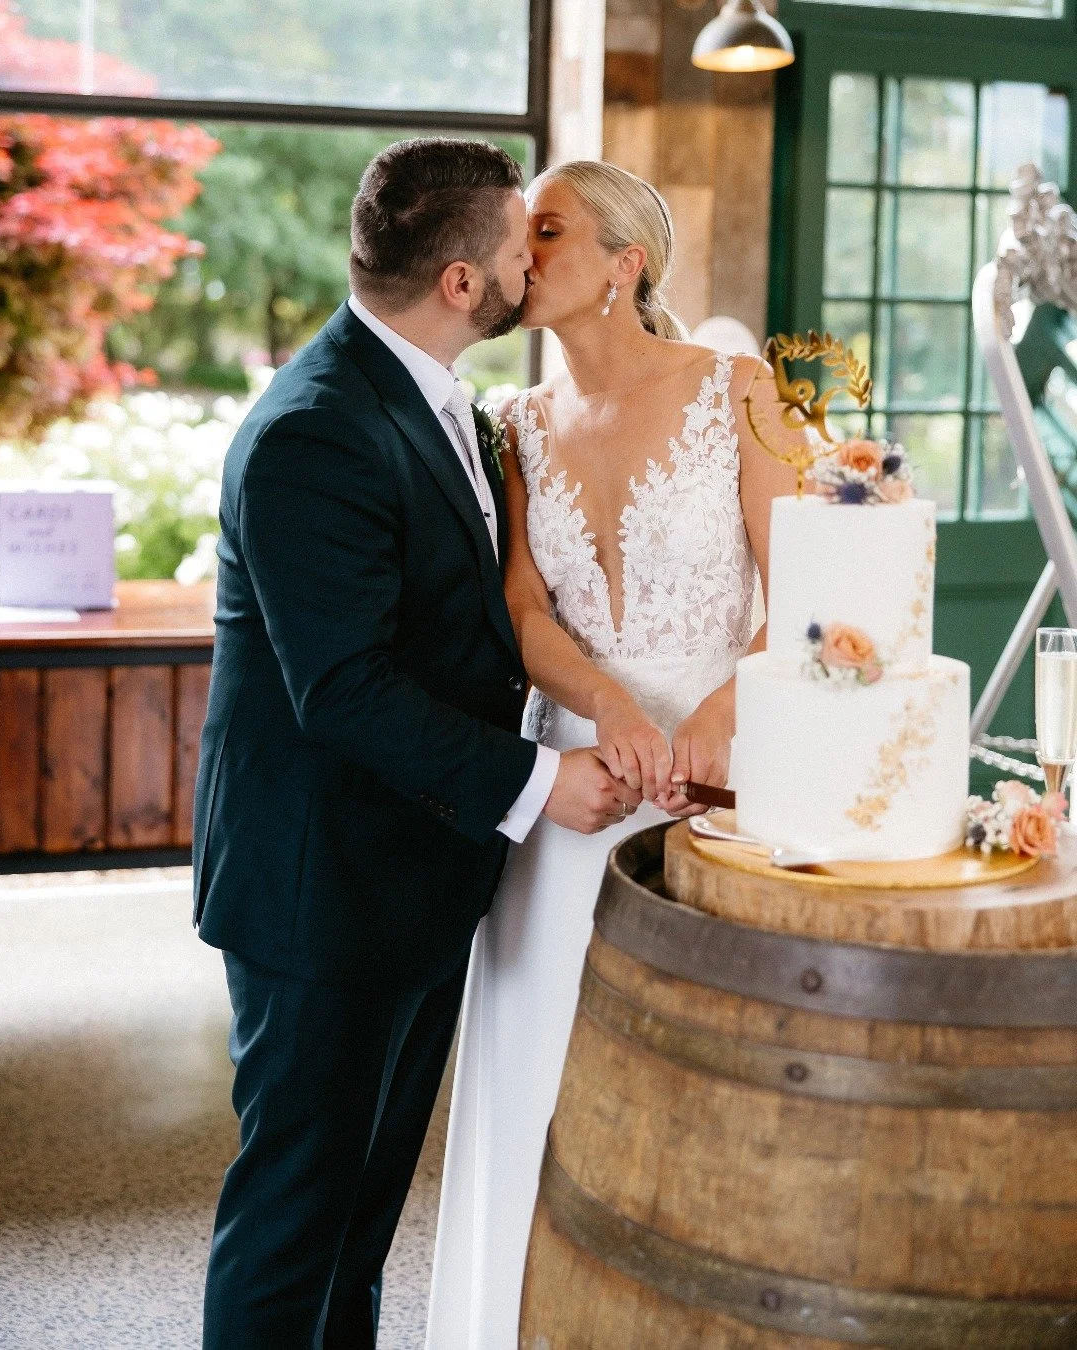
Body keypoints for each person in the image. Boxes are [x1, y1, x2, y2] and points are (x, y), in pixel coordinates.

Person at [192, 138, 642, 1350]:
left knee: (358, 1218)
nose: (525, 264)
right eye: (514, 245)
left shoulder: (446, 404)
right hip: (319, 890)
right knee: (294, 1221)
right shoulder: (315, 429)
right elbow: (344, 690)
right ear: (458, 283)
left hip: (415, 872)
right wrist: (543, 780)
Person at [426, 160, 803, 1346]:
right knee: (542, 1077)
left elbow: (804, 596)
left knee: (711, 1085)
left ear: (624, 265)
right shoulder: (519, 426)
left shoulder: (737, 391)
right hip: (572, 788)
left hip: (720, 779)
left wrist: (717, 717)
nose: (519, 251)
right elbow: (527, 613)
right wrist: (610, 709)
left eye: (549, 230)